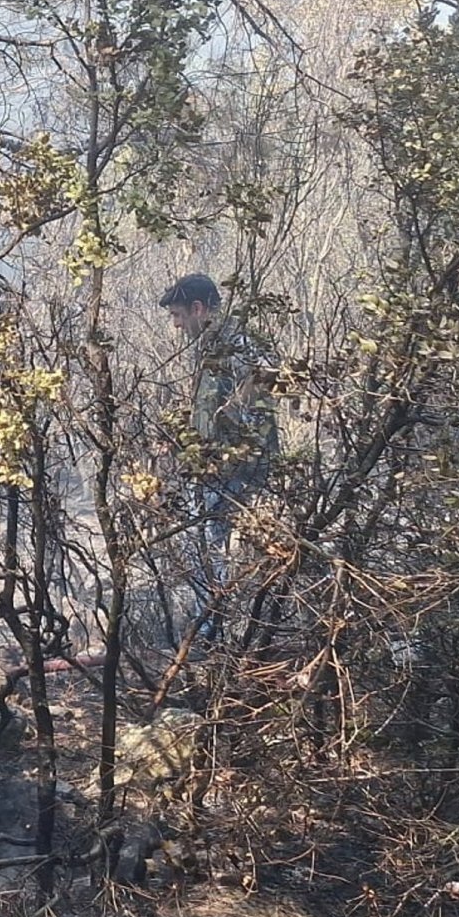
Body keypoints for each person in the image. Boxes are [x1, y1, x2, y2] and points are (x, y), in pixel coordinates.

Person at [159, 273, 277, 644]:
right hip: (217, 470)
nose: (177, 325)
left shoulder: (236, 346)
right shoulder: (213, 345)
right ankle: (213, 634)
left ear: (198, 309)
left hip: (232, 473)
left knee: (211, 552)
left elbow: (254, 413)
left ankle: (214, 636)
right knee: (207, 552)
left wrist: (225, 462)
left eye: (178, 315)